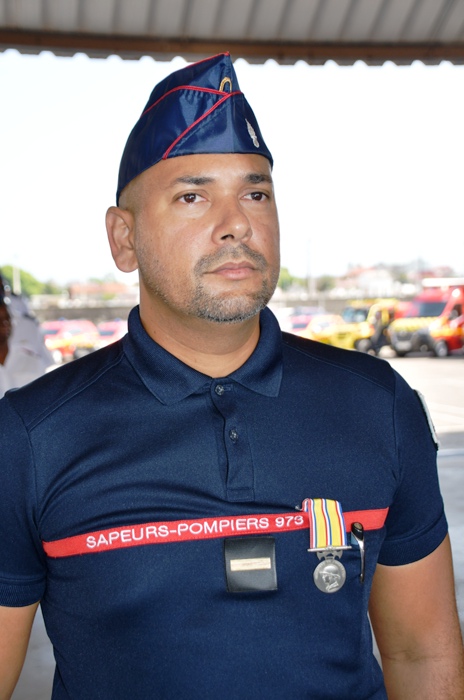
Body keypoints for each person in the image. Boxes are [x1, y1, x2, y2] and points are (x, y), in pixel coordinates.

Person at [0, 52, 463, 700]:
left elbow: (421, 652)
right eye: (192, 196)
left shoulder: (377, 405)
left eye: (255, 193)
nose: (237, 224)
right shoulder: (31, 437)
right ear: (123, 238)